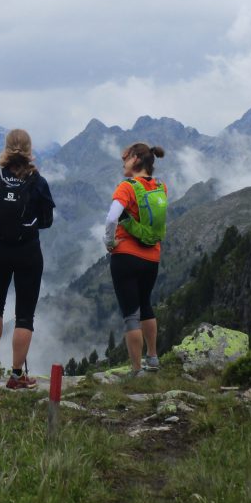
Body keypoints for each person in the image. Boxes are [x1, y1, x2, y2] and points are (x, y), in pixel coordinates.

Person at [0, 129, 55, 389]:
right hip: (29, 253)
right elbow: (46, 221)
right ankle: (17, 376)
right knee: (24, 316)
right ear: (29, 149)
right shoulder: (38, 181)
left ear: (7, 148)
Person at [103, 142, 166, 375]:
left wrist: (109, 242)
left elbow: (112, 219)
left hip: (126, 256)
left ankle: (136, 370)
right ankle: (153, 358)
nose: (123, 163)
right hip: (152, 257)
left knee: (131, 313)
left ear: (137, 159)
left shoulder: (126, 187)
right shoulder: (160, 187)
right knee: (146, 305)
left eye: (126, 158)